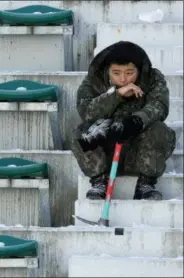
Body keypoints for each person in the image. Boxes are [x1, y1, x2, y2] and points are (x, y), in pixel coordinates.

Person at [71, 41, 176, 201]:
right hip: (107, 151)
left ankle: (146, 184)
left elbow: (160, 106)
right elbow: (87, 111)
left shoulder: (153, 78)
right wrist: (116, 95)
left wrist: (136, 121)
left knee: (159, 130)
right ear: (107, 71)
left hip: (140, 150)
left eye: (129, 73)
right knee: (82, 132)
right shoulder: (93, 81)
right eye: (116, 73)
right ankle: (100, 181)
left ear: (139, 70)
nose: (123, 79)